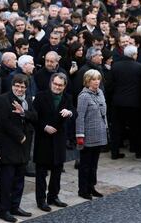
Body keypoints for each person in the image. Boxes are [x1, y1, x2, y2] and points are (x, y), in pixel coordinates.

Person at [0, 74, 37, 223]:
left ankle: (15, 206)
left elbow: (35, 117)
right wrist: (19, 136)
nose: (19, 89)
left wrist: (23, 113)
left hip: (24, 146)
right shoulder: (3, 99)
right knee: (7, 181)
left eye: (22, 87)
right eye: (17, 86)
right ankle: (3, 210)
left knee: (20, 179)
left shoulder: (28, 100)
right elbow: (3, 121)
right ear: (12, 85)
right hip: (10, 145)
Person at [33, 73, 74, 212]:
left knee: (57, 171)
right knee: (41, 173)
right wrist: (44, 126)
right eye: (55, 84)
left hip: (59, 139)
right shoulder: (40, 96)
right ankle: (41, 200)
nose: (57, 87)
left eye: (60, 85)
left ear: (64, 86)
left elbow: (74, 111)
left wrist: (70, 112)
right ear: (51, 83)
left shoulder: (67, 97)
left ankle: (53, 196)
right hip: (43, 139)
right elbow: (33, 117)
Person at [76, 69, 107, 200]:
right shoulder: (83, 96)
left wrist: (105, 128)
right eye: (93, 79)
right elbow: (80, 117)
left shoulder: (100, 93)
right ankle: (83, 189)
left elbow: (104, 113)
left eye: (98, 79)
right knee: (85, 165)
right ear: (87, 81)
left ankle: (91, 186)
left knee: (94, 164)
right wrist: (80, 135)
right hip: (88, 135)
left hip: (99, 134)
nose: (96, 82)